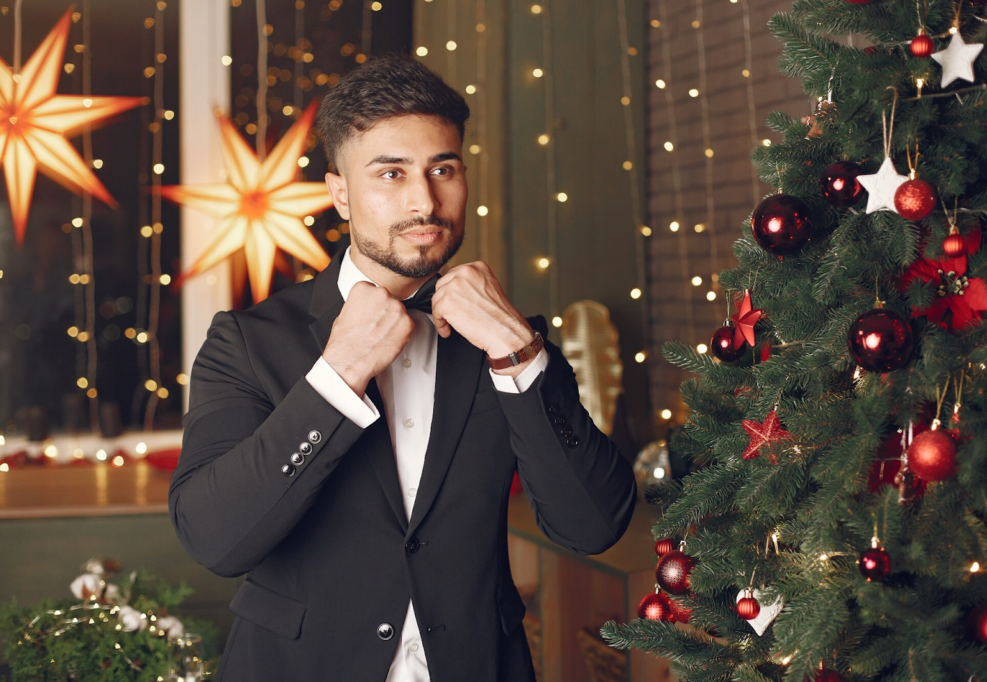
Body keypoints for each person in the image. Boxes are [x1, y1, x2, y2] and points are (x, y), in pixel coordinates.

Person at [169, 54, 637, 682]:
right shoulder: (247, 341)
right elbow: (214, 539)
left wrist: (519, 353)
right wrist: (337, 375)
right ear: (340, 192)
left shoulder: (512, 339)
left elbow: (593, 525)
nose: (424, 199)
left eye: (442, 169)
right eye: (390, 173)